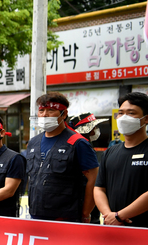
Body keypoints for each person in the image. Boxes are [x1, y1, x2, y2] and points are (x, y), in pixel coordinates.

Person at [26, 92, 99, 222]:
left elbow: (93, 180)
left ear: (64, 114)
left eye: (51, 110)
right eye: (41, 110)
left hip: (65, 218)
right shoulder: (33, 142)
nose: (44, 115)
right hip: (36, 215)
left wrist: (85, 212)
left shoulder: (77, 142)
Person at [95, 92, 148, 228]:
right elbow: (99, 188)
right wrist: (109, 215)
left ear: (146, 119)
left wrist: (120, 215)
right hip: (114, 228)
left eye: (131, 113)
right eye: (121, 113)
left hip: (143, 229)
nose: (124, 117)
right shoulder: (111, 152)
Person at [68, 113, 107, 223]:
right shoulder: (82, 145)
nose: (96, 130)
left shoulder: (82, 144)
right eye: (93, 127)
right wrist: (86, 212)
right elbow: (93, 179)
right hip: (84, 201)